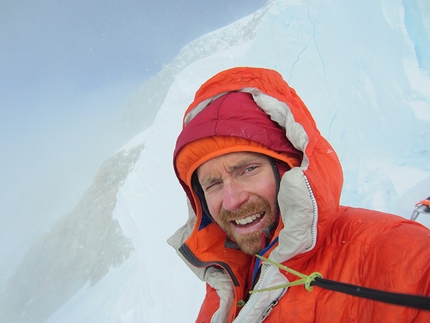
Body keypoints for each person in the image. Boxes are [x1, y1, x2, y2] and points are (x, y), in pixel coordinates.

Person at [168, 67, 430, 322]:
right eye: (212, 184)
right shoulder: (224, 287)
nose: (232, 200)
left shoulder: (400, 256)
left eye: (248, 169)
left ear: (290, 169)